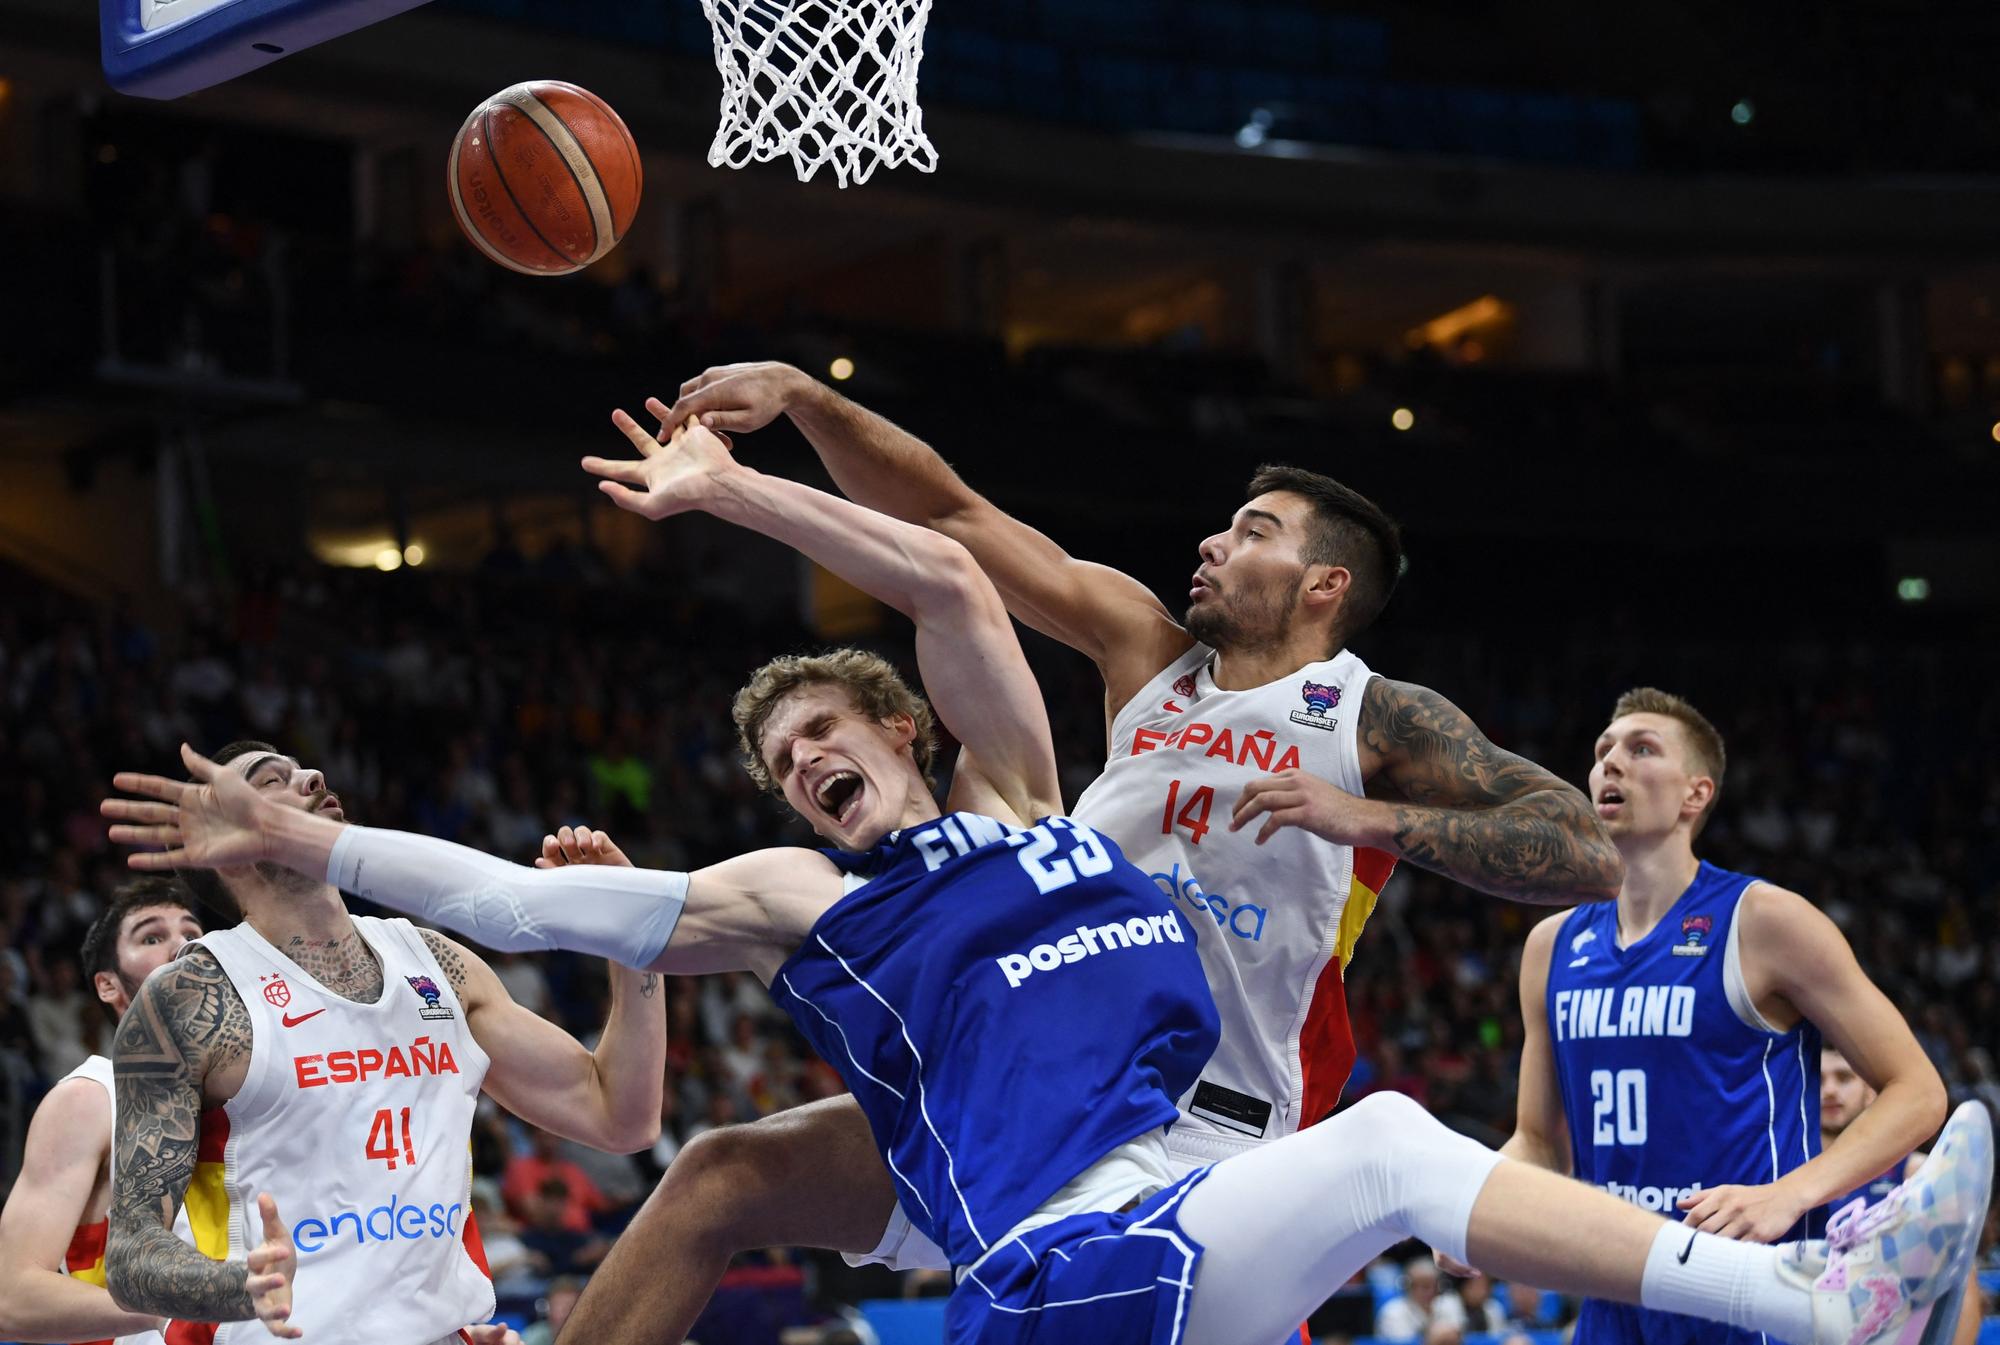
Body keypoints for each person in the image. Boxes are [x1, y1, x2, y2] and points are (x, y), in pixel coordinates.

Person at [104, 415, 1992, 1345]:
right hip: (1063, 1210)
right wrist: (308, 841)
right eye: (780, 765)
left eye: (830, 738)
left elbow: (937, 586)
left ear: (916, 736)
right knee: (719, 1173)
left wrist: (739, 489)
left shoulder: (1058, 799)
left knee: (1395, 1146)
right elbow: (533, 906)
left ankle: (1819, 1299)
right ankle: (1825, 1306)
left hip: (1211, 1147)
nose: (806, 769)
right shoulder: (831, 881)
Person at [614, 363, 1628, 1336]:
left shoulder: (1374, 717)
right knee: (721, 1175)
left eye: (1251, 532)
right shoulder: (1145, 655)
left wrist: (1370, 820)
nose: (1211, 543)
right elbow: (950, 516)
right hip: (1027, 1092)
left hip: (1209, 1122)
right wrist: (802, 398)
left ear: (1324, 583)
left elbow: (1586, 852)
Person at [96, 742, 665, 1344]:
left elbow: (620, 1115)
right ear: (224, 847)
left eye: (305, 769)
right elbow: (131, 1258)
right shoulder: (187, 997)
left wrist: (631, 939)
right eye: (271, 781)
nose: (313, 776)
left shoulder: (440, 964)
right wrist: (240, 1289)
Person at [1465, 688, 1953, 1345]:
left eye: (1641, 750)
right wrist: (1474, 1204)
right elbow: (1538, 1140)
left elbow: (1919, 1091)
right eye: (1603, 751)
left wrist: (1790, 1193)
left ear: (1695, 794)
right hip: (1616, 1293)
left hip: (1747, 1288)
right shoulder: (1550, 946)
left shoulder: (1765, 921)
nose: (1611, 763)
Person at [0, 878, 205, 1345]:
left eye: (193, 935)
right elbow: (10, 1297)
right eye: (153, 937)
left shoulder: (257, 1093)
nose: (182, 947)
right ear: (109, 985)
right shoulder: (90, 1099)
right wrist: (167, 1315)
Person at [1822, 1045, 1984, 1345]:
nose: (1829, 1090)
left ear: (1869, 1092)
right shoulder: (1783, 1182)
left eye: (1843, 1078)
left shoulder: (1915, 1173)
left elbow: (1961, 1286)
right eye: (1818, 1081)